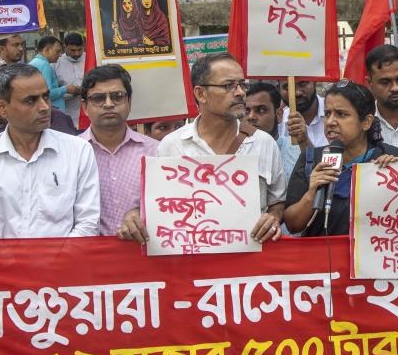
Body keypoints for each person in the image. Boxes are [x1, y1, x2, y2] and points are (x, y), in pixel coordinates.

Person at [119, 53, 285, 245]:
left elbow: (278, 202)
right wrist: (134, 215)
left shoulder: (264, 143)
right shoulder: (172, 145)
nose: (240, 92)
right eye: (228, 85)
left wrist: (273, 217)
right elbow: (154, 207)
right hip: (191, 263)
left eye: (242, 85)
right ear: (200, 94)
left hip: (250, 264)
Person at [0, 64, 100, 238]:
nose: (44, 107)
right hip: (3, 264)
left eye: (46, 97)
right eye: (30, 100)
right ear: (2, 108)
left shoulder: (78, 151)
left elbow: (88, 223)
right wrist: (17, 263)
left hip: (66, 262)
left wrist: (55, 261)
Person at [283, 81, 398, 236]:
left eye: (341, 114)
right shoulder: (311, 159)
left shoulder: (394, 159)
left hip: (375, 256)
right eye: (327, 114)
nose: (330, 122)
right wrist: (312, 192)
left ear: (366, 122)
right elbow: (292, 225)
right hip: (320, 258)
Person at [78, 65, 158, 236]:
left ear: (129, 102)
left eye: (117, 96)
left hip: (142, 252)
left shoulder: (155, 152)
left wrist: (141, 213)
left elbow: (167, 204)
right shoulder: (72, 154)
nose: (108, 104)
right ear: (85, 107)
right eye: (98, 98)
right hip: (87, 256)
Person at [246, 82, 300, 180]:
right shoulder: (233, 153)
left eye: (261, 110)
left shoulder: (298, 152)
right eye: (247, 111)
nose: (251, 117)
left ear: (279, 115)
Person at [29, 35, 80, 111]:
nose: (60, 55)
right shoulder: (44, 65)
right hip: (53, 112)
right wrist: (66, 89)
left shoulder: (35, 63)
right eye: (57, 51)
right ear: (47, 50)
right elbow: (47, 94)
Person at [278, 79, 327, 149]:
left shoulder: (338, 113)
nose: (297, 93)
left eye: (303, 83)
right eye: (288, 87)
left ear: (314, 82)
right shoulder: (278, 124)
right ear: (279, 89)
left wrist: (305, 142)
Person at [55, 32, 86, 126]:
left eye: (79, 50)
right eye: (72, 50)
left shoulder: (90, 58)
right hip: (66, 113)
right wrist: (69, 91)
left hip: (88, 112)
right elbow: (52, 90)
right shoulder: (56, 62)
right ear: (65, 47)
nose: (76, 53)